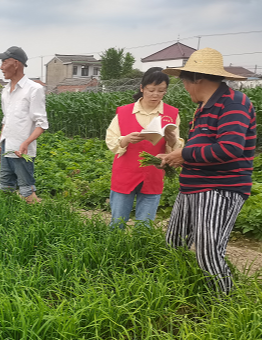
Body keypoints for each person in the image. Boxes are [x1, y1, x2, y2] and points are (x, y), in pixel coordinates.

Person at [158, 48, 256, 295]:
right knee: (175, 242)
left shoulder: (233, 102)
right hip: (192, 187)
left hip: (219, 188)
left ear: (197, 78)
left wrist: (185, 155)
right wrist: (175, 157)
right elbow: (203, 149)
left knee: (208, 250)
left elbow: (230, 148)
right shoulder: (203, 108)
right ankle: (181, 292)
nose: (184, 88)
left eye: (184, 82)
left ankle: (224, 302)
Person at [105, 67, 184, 228]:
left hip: (153, 173)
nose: (156, 95)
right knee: (117, 222)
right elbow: (111, 140)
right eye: (151, 90)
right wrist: (126, 139)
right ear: (142, 88)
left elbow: (176, 148)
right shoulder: (124, 112)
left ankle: (140, 244)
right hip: (125, 173)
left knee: (144, 225)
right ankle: (113, 244)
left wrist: (172, 141)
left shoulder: (171, 114)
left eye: (161, 91)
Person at [0, 46, 48, 204]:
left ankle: (39, 215)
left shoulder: (34, 89)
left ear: (16, 64)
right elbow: (6, 121)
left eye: (4, 62)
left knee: (27, 191)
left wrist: (26, 143)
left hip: (22, 151)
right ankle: (8, 216)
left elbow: (42, 124)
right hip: (7, 147)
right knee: (6, 189)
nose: (1, 67)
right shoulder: (5, 91)